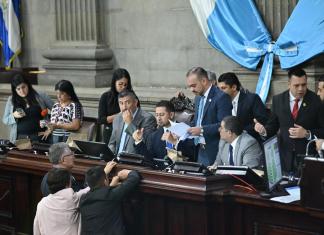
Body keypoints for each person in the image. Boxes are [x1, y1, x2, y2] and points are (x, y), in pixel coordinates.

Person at [254, 68, 324, 173]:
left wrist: (307, 133)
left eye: (304, 85)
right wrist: (264, 130)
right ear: (289, 84)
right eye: (296, 85)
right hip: (285, 157)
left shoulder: (316, 100)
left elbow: (322, 130)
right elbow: (273, 125)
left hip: (307, 157)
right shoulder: (278, 100)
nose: (301, 89)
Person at [186, 67, 232, 166]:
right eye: (189, 86)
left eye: (193, 86)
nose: (191, 90)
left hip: (215, 151)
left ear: (204, 81)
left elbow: (224, 125)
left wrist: (202, 130)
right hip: (199, 149)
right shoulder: (198, 97)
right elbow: (198, 121)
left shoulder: (221, 97)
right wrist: (184, 131)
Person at [80, 163, 140, 235]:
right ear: (105, 180)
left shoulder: (83, 199)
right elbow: (134, 178)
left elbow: (100, 195)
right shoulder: (111, 195)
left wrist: (109, 187)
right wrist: (129, 172)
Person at [34, 168, 90, 235]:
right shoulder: (73, 199)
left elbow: (37, 230)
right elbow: (89, 189)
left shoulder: (42, 204)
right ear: (68, 184)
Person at [217, 72, 268, 142]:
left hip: (250, 143)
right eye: (219, 89)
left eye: (223, 88)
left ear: (234, 87)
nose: (220, 92)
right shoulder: (220, 103)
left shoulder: (252, 99)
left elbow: (262, 119)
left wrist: (241, 132)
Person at [2, 74, 53, 143]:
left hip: (40, 137)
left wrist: (50, 128)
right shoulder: (11, 100)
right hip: (20, 138)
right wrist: (13, 116)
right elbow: (5, 120)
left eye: (23, 87)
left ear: (28, 85)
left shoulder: (41, 95)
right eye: (18, 89)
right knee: (20, 154)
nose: (22, 91)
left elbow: (56, 111)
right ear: (15, 90)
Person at [108, 90, 156, 154]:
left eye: (127, 103)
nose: (124, 107)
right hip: (117, 161)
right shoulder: (117, 118)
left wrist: (130, 123)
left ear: (135, 102)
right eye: (121, 103)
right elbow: (112, 144)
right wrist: (110, 157)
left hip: (134, 161)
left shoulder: (148, 119)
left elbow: (145, 144)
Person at [98, 68, 134, 143]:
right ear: (114, 83)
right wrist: (119, 115)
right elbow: (101, 119)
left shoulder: (132, 97)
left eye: (125, 85)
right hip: (110, 131)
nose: (123, 87)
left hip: (127, 131)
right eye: (120, 84)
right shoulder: (106, 96)